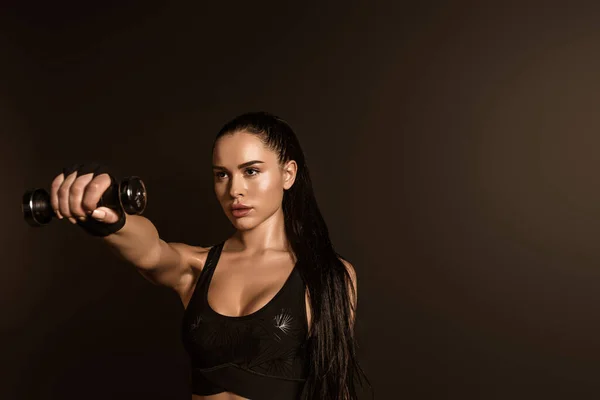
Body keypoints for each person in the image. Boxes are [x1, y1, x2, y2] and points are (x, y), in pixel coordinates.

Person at [49, 112, 372, 399]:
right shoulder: (196, 267)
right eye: (222, 174)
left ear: (288, 174)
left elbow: (336, 388)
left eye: (251, 171)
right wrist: (112, 219)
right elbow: (151, 251)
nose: (234, 190)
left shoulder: (327, 275)